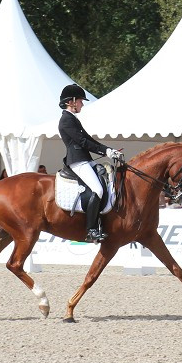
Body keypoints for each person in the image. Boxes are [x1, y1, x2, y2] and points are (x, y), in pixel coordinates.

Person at [58, 83, 122, 243]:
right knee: (98, 190)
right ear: (71, 101)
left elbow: (89, 139)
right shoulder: (66, 120)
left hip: (85, 159)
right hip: (77, 162)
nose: (82, 104)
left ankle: (102, 222)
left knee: (108, 179)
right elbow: (82, 142)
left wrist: (108, 150)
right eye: (80, 101)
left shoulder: (73, 119)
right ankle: (91, 229)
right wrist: (106, 152)